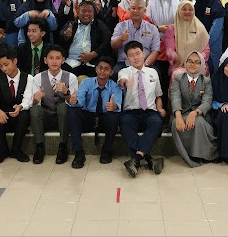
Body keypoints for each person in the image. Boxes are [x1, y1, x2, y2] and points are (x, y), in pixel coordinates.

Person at [118, 41, 166, 178]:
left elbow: (158, 95)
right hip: (131, 112)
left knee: (157, 122)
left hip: (149, 111)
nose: (135, 57)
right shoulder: (124, 71)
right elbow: (122, 81)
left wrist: (160, 108)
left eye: (138, 53)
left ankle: (136, 159)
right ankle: (148, 159)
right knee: (124, 122)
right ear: (127, 58)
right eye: (131, 55)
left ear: (143, 53)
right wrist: (127, 83)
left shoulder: (153, 72)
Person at [68, 57, 122, 168]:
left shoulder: (115, 86)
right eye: (100, 68)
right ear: (96, 69)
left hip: (104, 119)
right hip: (88, 117)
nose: (102, 71)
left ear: (111, 72)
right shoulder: (86, 82)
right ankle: (78, 153)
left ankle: (106, 151)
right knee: (73, 111)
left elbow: (117, 103)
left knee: (114, 115)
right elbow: (80, 100)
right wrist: (75, 100)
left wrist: (114, 106)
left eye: (106, 69)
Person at [30, 45, 78, 164]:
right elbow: (35, 103)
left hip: (63, 119)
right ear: (45, 60)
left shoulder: (71, 77)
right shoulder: (37, 78)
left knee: (64, 107)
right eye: (51, 58)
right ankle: (39, 147)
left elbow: (74, 103)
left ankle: (62, 146)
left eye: (58, 58)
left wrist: (66, 92)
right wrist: (36, 99)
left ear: (63, 60)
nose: (54, 61)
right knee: (35, 110)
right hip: (45, 118)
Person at [170, 52, 218, 167]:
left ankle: (200, 155)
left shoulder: (206, 81)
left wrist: (195, 113)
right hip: (181, 112)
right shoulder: (178, 78)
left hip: (200, 114)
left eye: (197, 62)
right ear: (185, 62)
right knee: (176, 123)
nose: (193, 65)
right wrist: (178, 116)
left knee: (199, 121)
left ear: (202, 65)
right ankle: (188, 156)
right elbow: (175, 97)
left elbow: (207, 102)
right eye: (190, 61)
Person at [0, 47, 34, 163]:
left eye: (6, 64)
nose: (4, 68)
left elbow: (28, 99)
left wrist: (21, 106)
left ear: (15, 61)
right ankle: (2, 150)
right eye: (1, 66)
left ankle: (16, 149)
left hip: (19, 115)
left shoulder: (28, 78)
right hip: (4, 116)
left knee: (25, 114)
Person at [58, 1, 112, 78]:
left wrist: (93, 54)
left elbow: (106, 42)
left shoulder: (100, 25)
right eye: (83, 11)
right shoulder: (70, 24)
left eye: (89, 11)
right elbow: (60, 39)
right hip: (71, 62)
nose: (86, 14)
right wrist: (66, 36)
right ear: (78, 12)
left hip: (92, 63)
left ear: (94, 13)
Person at [111, 0, 161, 79]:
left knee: (156, 74)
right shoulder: (120, 26)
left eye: (139, 8)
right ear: (129, 10)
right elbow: (113, 45)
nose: (135, 11)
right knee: (114, 74)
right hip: (124, 63)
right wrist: (120, 38)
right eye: (133, 8)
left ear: (144, 11)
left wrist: (144, 66)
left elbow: (155, 51)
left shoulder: (152, 28)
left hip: (146, 63)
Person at [164, 0, 210, 80]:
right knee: (178, 75)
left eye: (190, 9)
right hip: (179, 64)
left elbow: (206, 49)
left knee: (199, 75)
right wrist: (175, 56)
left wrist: (196, 60)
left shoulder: (200, 28)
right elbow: (169, 49)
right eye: (184, 9)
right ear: (179, 11)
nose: (187, 12)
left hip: (197, 64)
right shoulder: (172, 29)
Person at [194, 0, 225, 73]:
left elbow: (216, 29)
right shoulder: (197, 4)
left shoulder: (217, 7)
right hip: (198, 41)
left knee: (213, 67)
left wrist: (205, 41)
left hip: (213, 42)